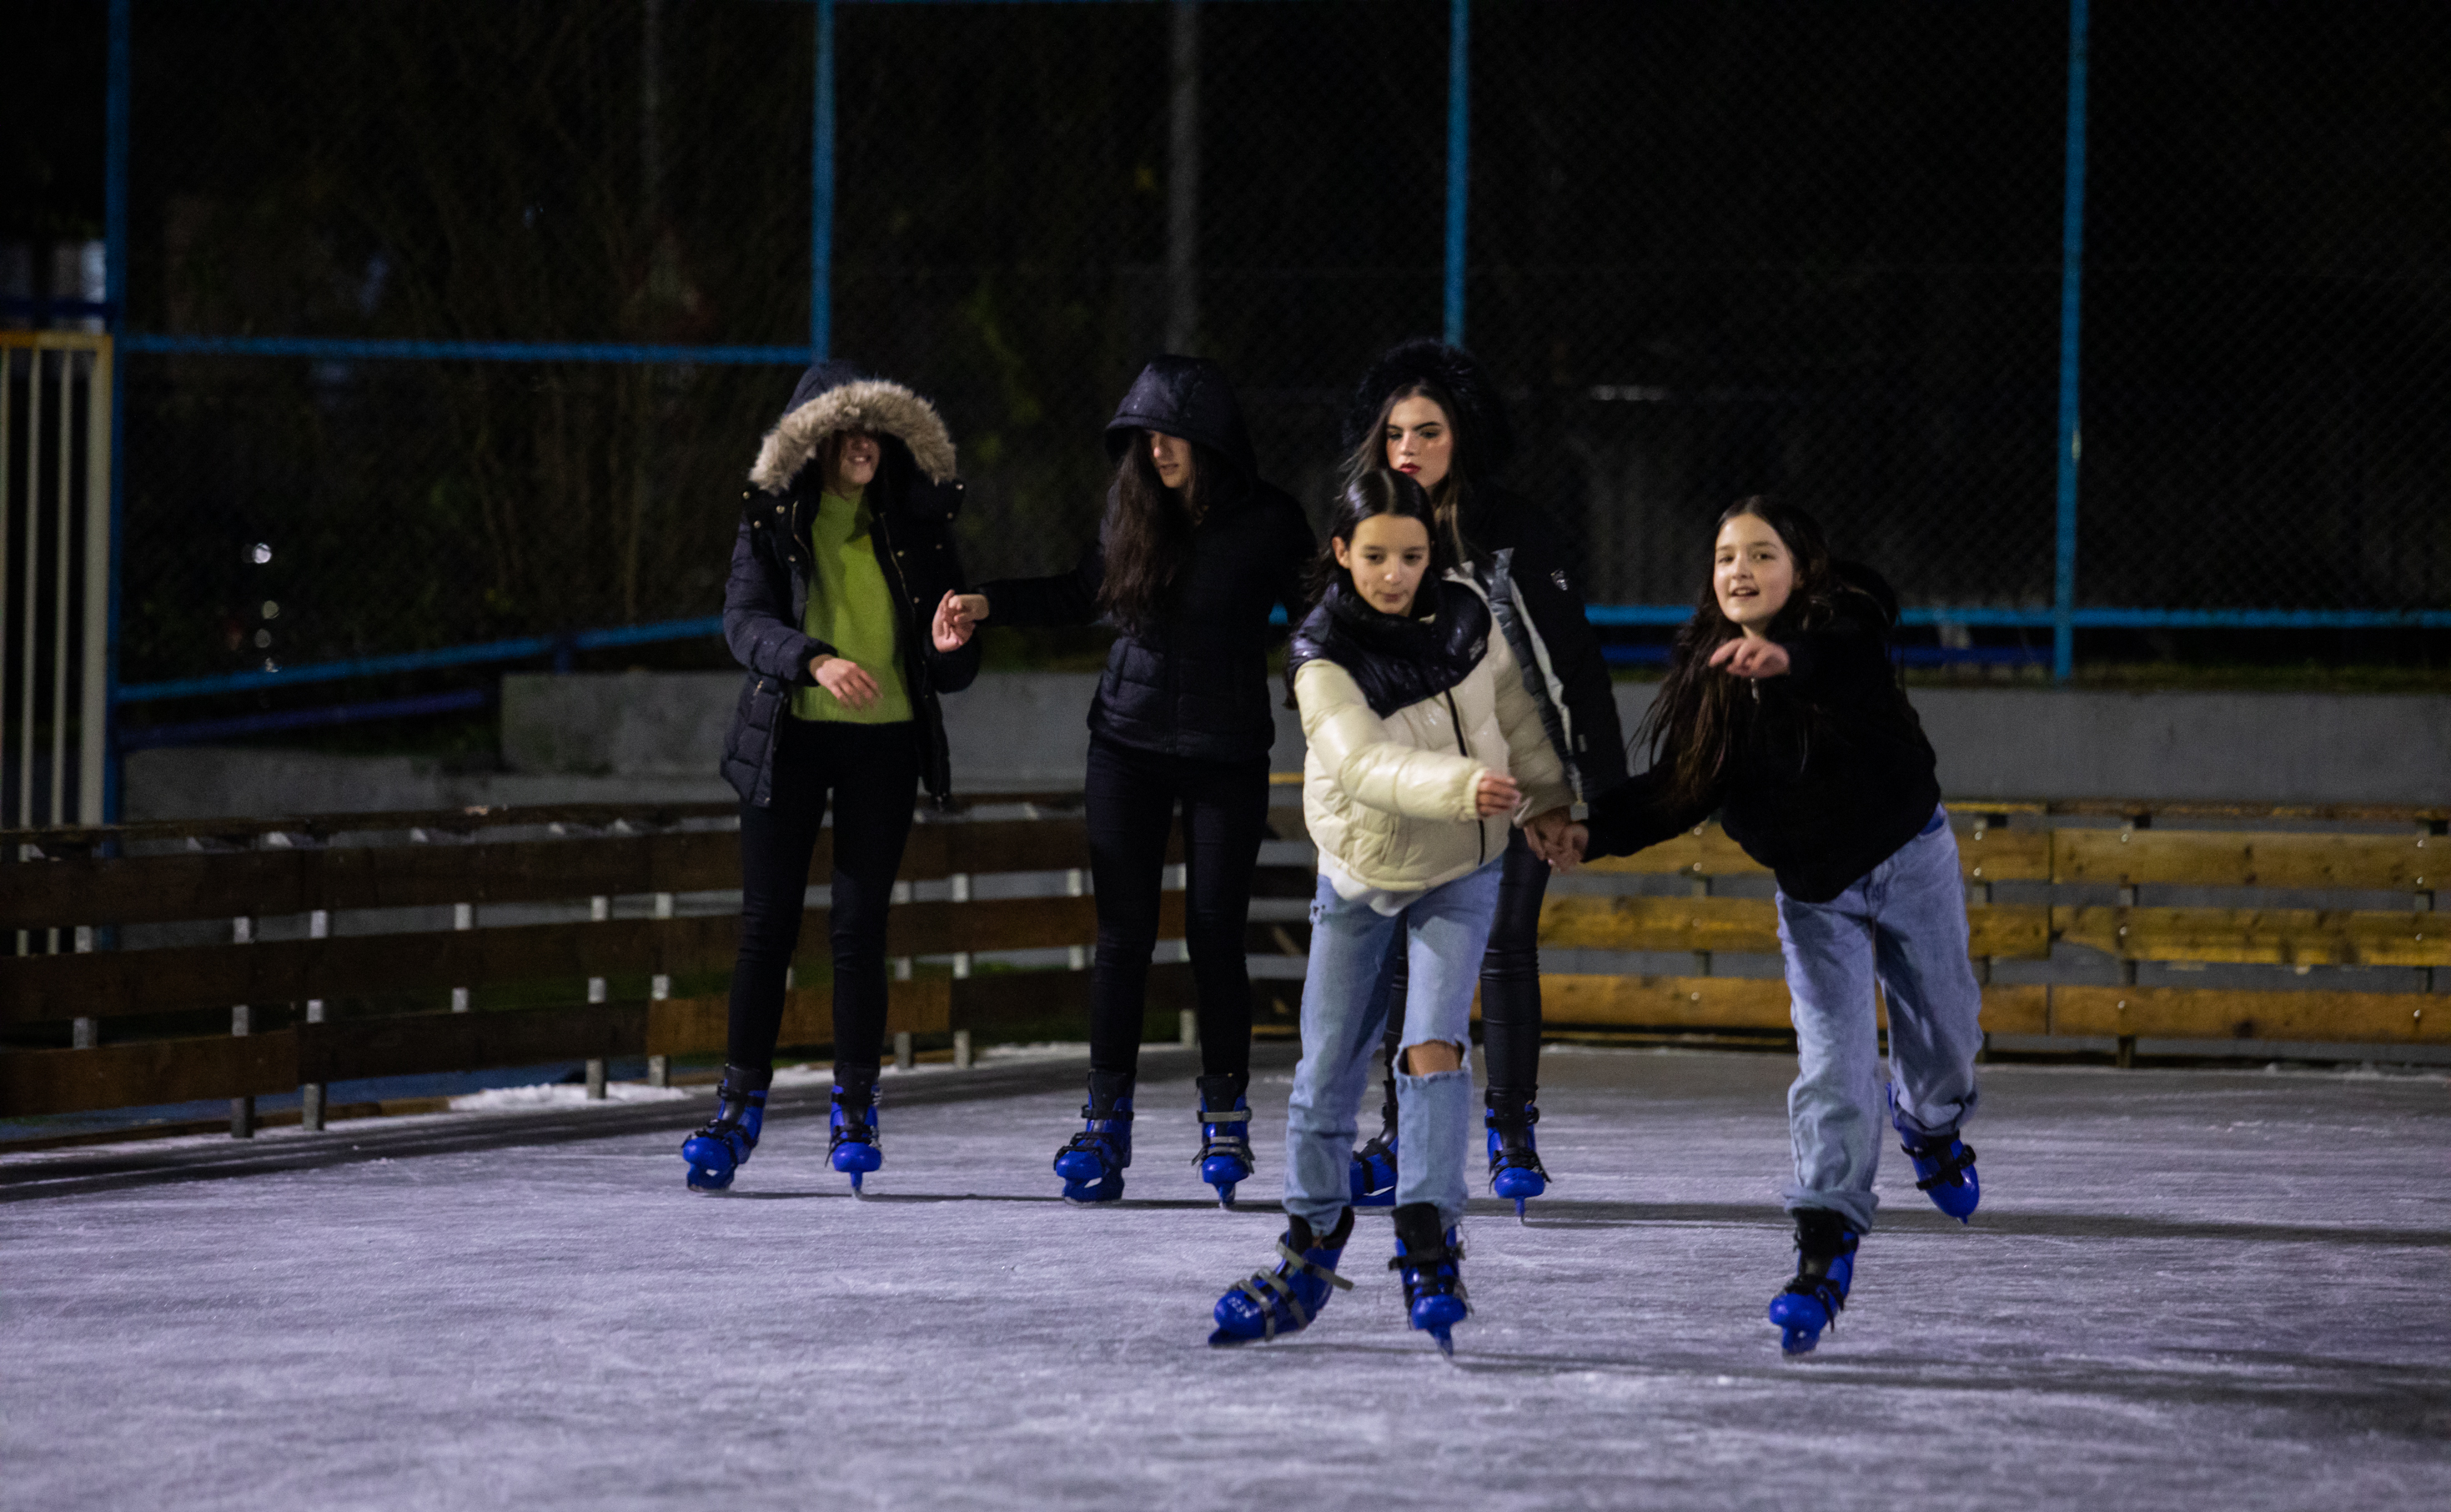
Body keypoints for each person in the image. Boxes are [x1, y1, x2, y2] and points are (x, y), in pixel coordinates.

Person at [1569, 496, 1983, 1354]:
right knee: (1834, 1070)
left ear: (1800, 568)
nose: (1740, 571)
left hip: (1908, 857)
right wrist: (1587, 830)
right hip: (1814, 897)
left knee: (1944, 1036)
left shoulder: (1844, 624)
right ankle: (1821, 1246)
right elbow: (1678, 789)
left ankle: (1931, 1124)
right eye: (1725, 557)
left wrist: (1786, 657)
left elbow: (1848, 663)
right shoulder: (1709, 677)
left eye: (1760, 555)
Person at [1207, 469, 1577, 1354]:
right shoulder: (1319, 653)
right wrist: (1463, 786)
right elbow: (1362, 763)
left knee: (1432, 1051)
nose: (1393, 572)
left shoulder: (1465, 612)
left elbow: (1516, 713)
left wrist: (1547, 797)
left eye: (1409, 555)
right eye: (1373, 555)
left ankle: (1427, 1239)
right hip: (1363, 872)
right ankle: (1307, 1244)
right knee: (1327, 1065)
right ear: (1340, 552)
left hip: (1463, 866)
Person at [934, 356, 1314, 1206]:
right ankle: (1103, 1123)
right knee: (1123, 936)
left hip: (1225, 750)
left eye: (1168, 433)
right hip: (1127, 743)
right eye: (1143, 435)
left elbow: (1312, 628)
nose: (1154, 449)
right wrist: (982, 603)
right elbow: (1082, 591)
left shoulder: (1269, 520)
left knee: (1216, 931)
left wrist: (1339, 706)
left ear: (1210, 438)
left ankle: (1224, 1115)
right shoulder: (1130, 507)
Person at [1337, 339, 1626, 1216]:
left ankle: (1510, 1132)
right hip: (1412, 780)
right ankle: (1401, 1136)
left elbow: (1569, 656)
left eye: (1428, 431)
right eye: (1395, 433)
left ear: (1460, 438)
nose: (1410, 449)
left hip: (1511, 775)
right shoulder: (1367, 529)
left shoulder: (1512, 527)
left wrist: (1579, 788)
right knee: (1404, 955)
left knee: (1502, 946)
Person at [681, 361, 982, 1195]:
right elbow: (742, 622)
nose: (863, 445)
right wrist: (813, 660)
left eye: (874, 430)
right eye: (845, 431)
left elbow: (950, 667)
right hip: (790, 741)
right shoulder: (774, 521)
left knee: (857, 928)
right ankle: (736, 1107)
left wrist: (949, 648)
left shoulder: (916, 524)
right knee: (765, 926)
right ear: (810, 441)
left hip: (882, 748)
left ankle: (854, 1105)